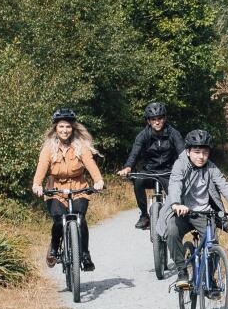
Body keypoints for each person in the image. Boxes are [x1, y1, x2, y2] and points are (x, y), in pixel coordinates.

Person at [156, 129, 228, 287]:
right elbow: (175, 183)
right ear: (188, 151)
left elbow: (225, 187)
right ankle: (181, 271)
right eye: (197, 152)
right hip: (182, 212)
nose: (201, 157)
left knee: (213, 244)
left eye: (205, 153)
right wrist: (176, 204)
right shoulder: (181, 164)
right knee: (172, 231)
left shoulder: (211, 168)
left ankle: (209, 280)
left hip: (204, 214)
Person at [32, 108, 104, 270]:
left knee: (80, 218)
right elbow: (42, 167)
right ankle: (54, 247)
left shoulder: (81, 147)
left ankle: (85, 254)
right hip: (55, 190)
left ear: (73, 128)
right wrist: (37, 184)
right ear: (55, 129)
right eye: (61, 127)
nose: (65, 130)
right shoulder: (49, 148)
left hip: (79, 188)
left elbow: (91, 165)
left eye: (68, 127)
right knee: (58, 220)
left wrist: (98, 180)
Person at [117, 102, 185, 229]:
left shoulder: (173, 133)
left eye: (159, 118)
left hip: (168, 171)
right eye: (153, 119)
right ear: (148, 121)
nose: (157, 122)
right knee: (138, 181)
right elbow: (134, 153)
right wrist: (127, 167)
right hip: (150, 171)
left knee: (175, 192)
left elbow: (182, 153)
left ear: (164, 119)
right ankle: (144, 215)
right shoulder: (143, 135)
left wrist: (186, 167)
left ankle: (175, 218)